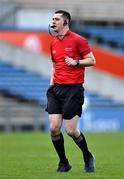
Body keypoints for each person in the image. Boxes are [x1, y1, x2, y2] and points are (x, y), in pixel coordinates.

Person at [46, 10, 96, 173]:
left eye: (57, 19)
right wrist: (51, 84)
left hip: (73, 89)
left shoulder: (78, 40)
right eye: (52, 19)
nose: (53, 21)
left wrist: (76, 62)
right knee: (54, 128)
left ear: (65, 22)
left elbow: (92, 60)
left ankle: (88, 156)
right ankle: (63, 163)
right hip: (56, 89)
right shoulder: (53, 42)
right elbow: (54, 66)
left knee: (71, 131)